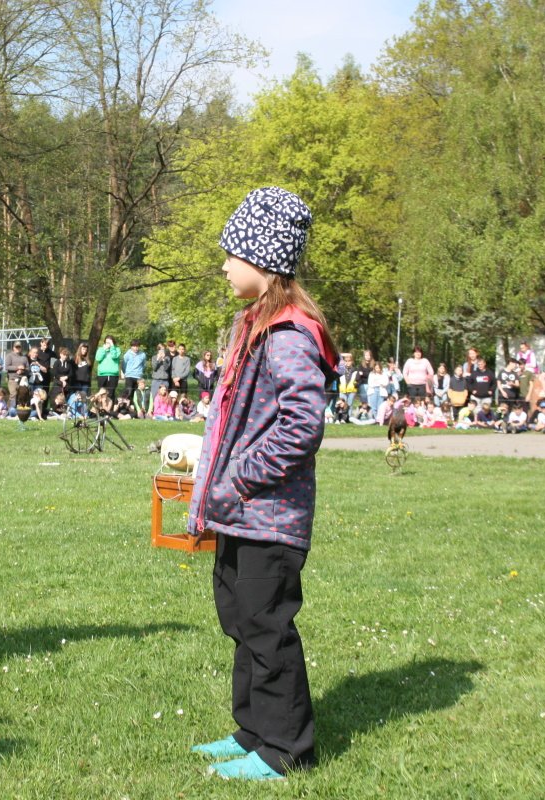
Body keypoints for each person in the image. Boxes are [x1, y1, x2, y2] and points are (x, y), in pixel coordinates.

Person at [187, 187, 335, 781]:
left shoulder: (289, 334)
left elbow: (302, 425)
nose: (224, 265)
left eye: (232, 254)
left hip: (267, 514)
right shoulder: (254, 326)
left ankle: (285, 750)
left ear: (263, 260)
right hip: (240, 511)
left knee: (267, 626)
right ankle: (252, 732)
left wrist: (242, 478)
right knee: (240, 617)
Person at [150, 341, 170, 415]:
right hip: (156, 380)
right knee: (154, 396)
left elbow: (166, 368)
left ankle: (163, 412)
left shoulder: (167, 358)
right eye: (160, 349)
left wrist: (164, 359)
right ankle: (153, 412)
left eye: (163, 349)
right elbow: (154, 368)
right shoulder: (154, 357)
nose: (161, 351)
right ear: (157, 350)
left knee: (165, 397)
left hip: (165, 380)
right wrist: (158, 359)